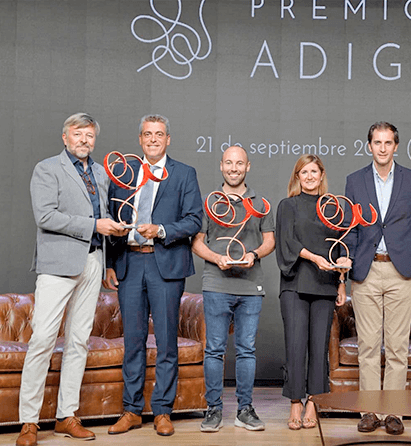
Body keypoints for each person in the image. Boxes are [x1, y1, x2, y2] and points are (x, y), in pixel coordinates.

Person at [18, 113, 128, 446]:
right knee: (42, 341)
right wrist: (94, 226)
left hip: (93, 262)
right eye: (78, 134)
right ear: (65, 137)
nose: (84, 140)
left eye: (90, 135)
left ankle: (67, 415)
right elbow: (46, 216)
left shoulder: (99, 172)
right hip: (57, 265)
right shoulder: (47, 169)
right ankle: (29, 422)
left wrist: (108, 261)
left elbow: (104, 217)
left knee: (79, 341)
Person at [104, 114, 203, 436]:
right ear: (140, 139)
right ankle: (131, 410)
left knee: (165, 342)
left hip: (166, 266)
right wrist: (109, 263)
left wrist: (161, 230)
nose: (153, 139)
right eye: (147, 134)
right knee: (132, 342)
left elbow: (193, 220)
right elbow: (108, 220)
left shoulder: (184, 174)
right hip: (129, 265)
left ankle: (162, 410)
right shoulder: (124, 174)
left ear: (168, 139)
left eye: (159, 134)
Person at [343, 122, 411, 436]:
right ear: (369, 146)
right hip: (365, 269)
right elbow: (351, 227)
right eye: (377, 142)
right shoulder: (355, 180)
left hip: (401, 270)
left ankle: (393, 413)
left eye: (388, 142)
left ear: (395, 146)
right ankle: (368, 412)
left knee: (396, 348)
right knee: (367, 346)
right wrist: (349, 264)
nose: (382, 148)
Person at [191, 146, 275, 432]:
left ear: (248, 167)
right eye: (229, 163)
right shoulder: (209, 202)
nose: (234, 168)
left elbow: (269, 241)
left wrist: (254, 255)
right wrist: (216, 258)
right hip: (216, 284)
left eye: (239, 163)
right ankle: (213, 409)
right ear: (221, 166)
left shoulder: (261, 203)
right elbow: (197, 242)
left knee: (246, 350)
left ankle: (245, 410)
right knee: (214, 350)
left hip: (251, 287)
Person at [275, 154, 351, 431]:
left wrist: (342, 282)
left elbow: (340, 246)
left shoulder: (333, 207)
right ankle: (295, 401)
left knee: (319, 348)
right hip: (295, 283)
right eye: (303, 172)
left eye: (313, 172)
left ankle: (313, 402)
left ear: (321, 176)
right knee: (296, 346)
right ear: (297, 177)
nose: (309, 176)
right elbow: (287, 242)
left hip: (325, 285)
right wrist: (313, 257)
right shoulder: (287, 206)